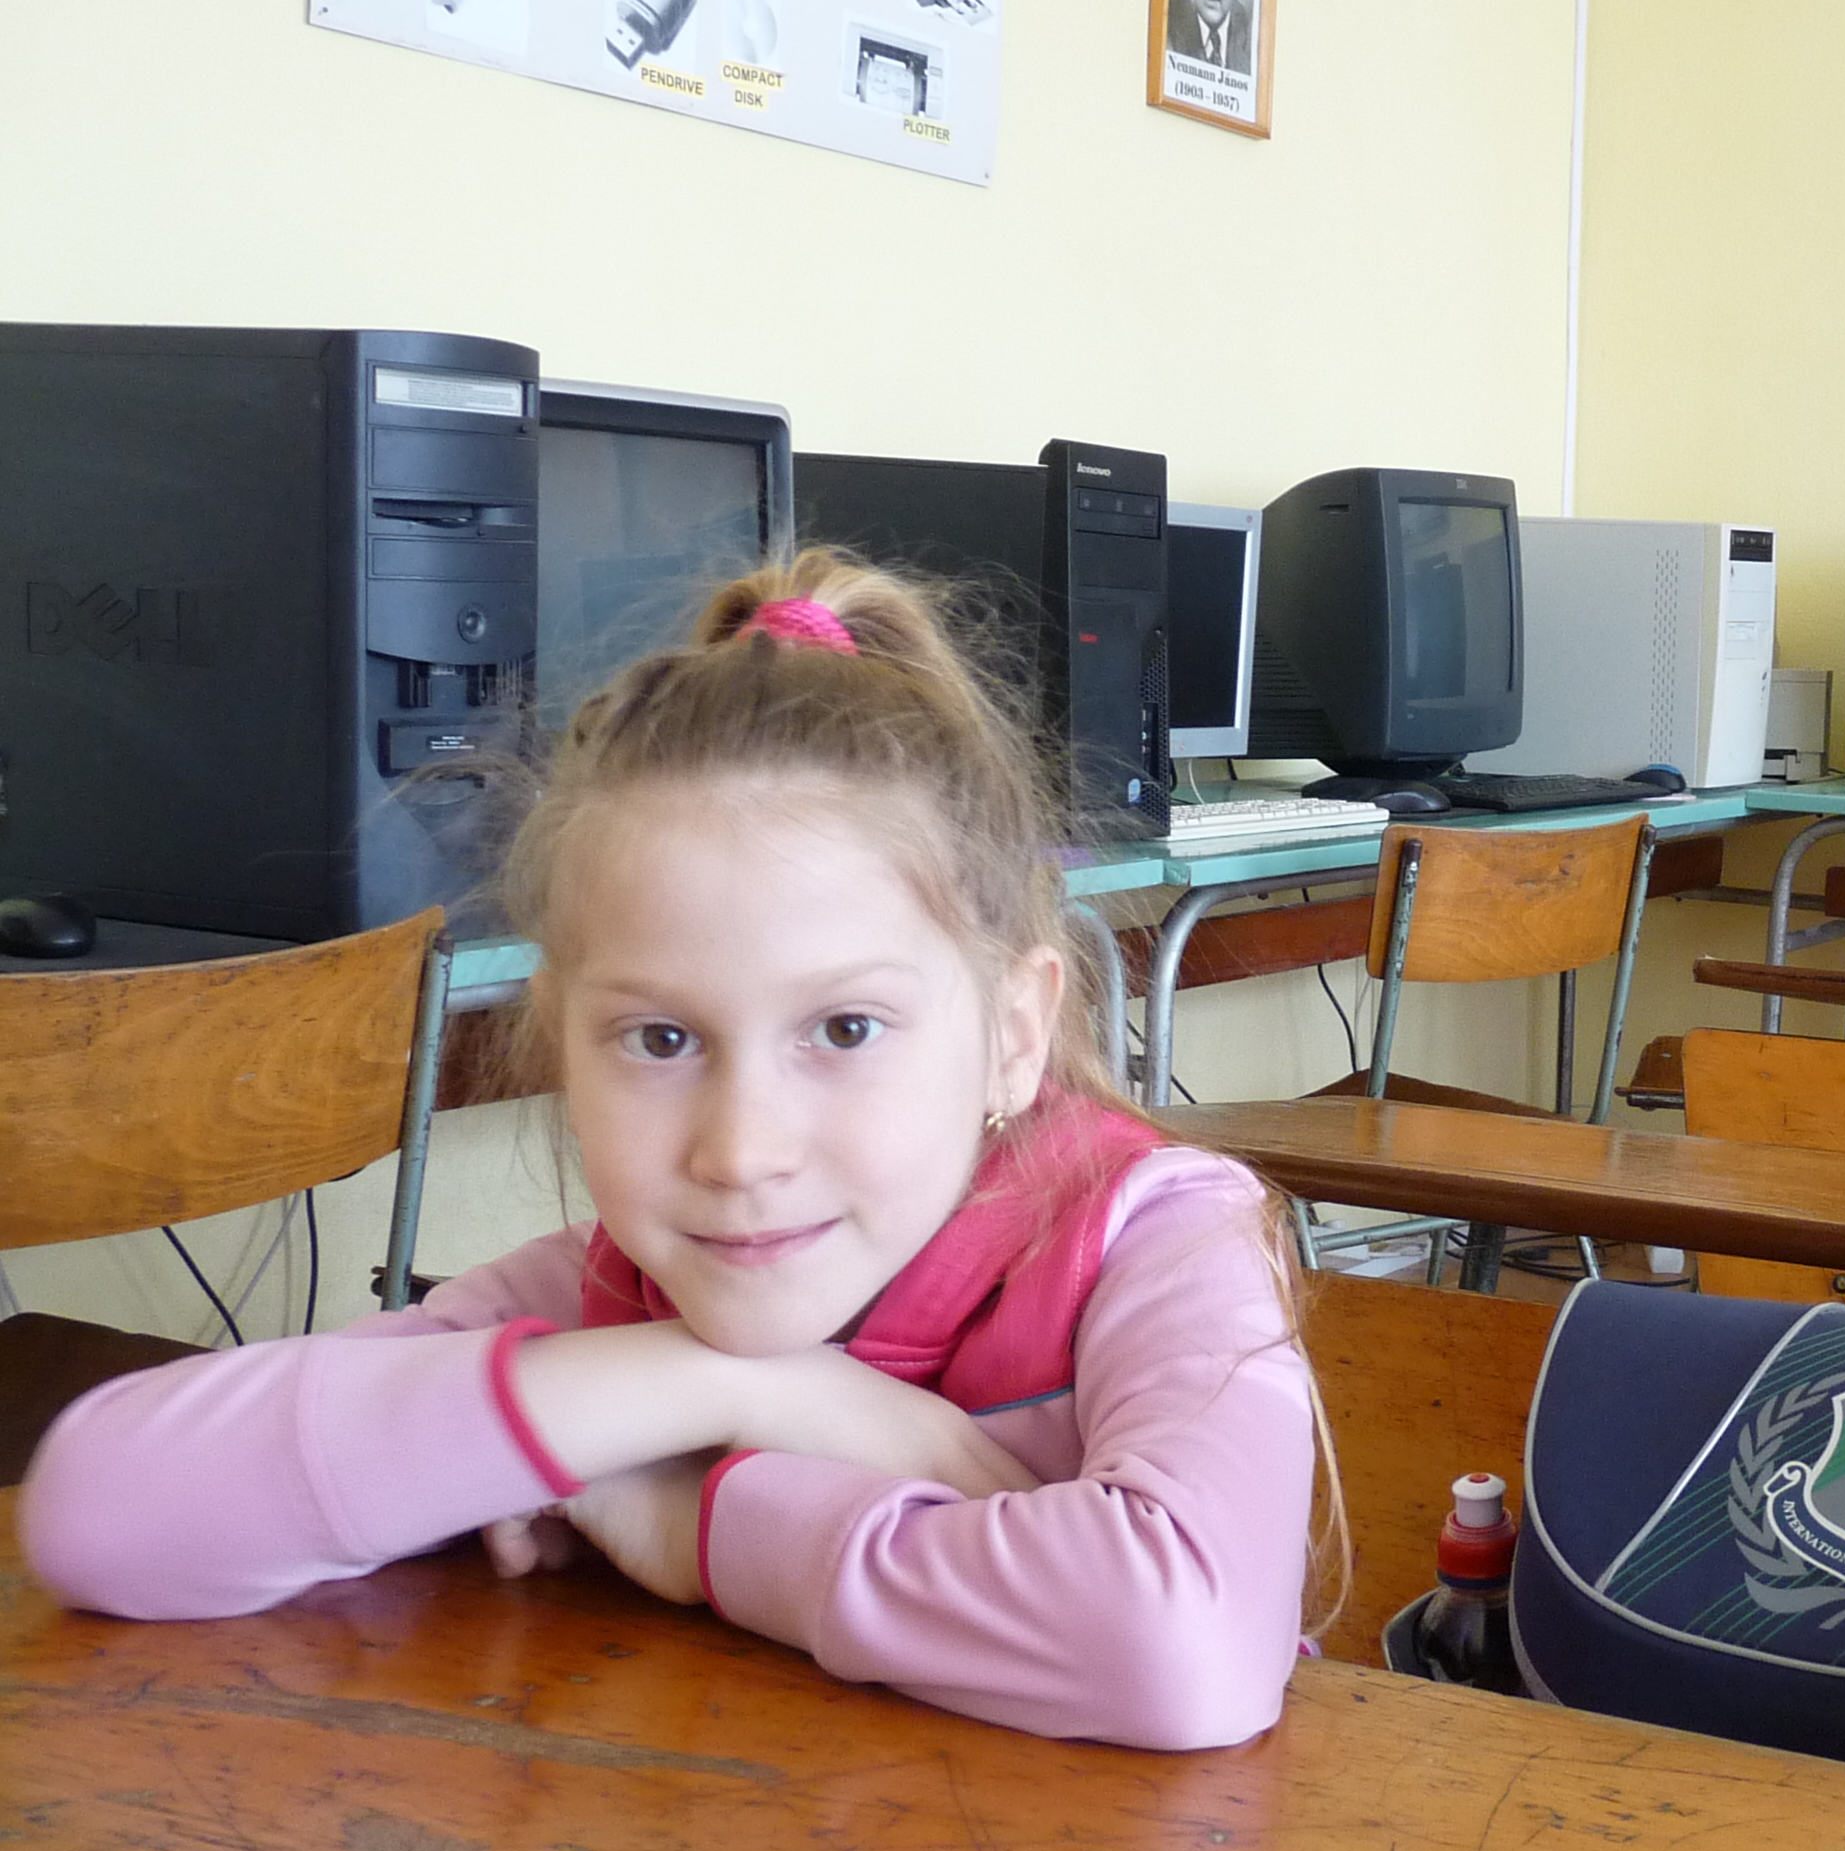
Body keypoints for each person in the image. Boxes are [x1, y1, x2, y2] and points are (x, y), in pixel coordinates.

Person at [22, 553, 1332, 1752]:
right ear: (562, 1042)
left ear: (1013, 1034)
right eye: (659, 1040)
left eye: (845, 1028)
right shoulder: (609, 1296)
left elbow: (1188, 1653)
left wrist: (701, 1526)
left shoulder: (1161, 1238)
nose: (740, 1152)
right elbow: (102, 1513)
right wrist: (732, 1387)